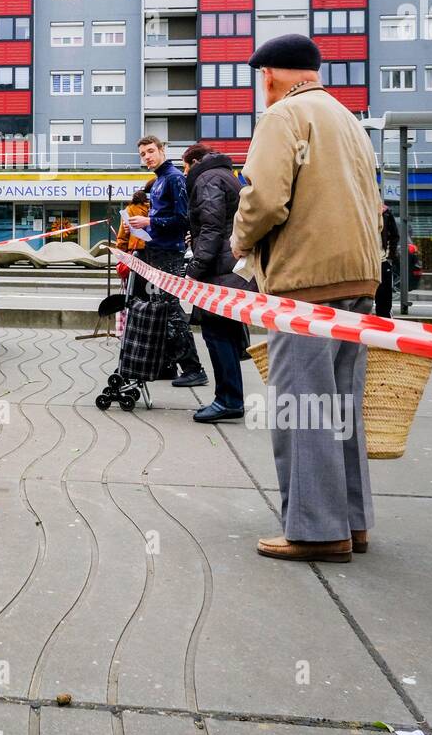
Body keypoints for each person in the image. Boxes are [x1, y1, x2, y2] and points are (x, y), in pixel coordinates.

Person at [231, 35, 382, 564]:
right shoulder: (347, 119)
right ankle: (352, 523)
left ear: (268, 74)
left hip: (305, 284)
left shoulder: (284, 117)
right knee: (342, 408)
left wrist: (240, 240)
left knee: (304, 409)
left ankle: (317, 531)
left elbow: (264, 198)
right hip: (358, 280)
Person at [126, 136, 207, 386]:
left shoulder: (173, 178)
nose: (147, 157)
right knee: (160, 309)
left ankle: (194, 368)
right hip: (157, 250)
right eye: (142, 154)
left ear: (162, 150)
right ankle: (168, 365)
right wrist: (143, 229)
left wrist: (149, 222)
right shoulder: (159, 180)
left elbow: (183, 219)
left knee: (170, 310)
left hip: (170, 253)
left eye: (151, 151)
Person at [182, 145, 249, 422]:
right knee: (227, 332)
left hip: (218, 270)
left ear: (195, 161)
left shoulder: (207, 179)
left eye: (185, 166)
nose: (184, 172)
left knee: (216, 332)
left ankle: (229, 399)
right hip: (230, 264)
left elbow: (211, 227)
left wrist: (194, 268)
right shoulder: (226, 175)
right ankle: (231, 396)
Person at [374, 202, 399, 318]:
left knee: (384, 304)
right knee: (360, 303)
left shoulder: (385, 212)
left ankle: (384, 326)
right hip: (365, 262)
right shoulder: (359, 208)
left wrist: (389, 258)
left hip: (381, 261)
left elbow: (394, 235)